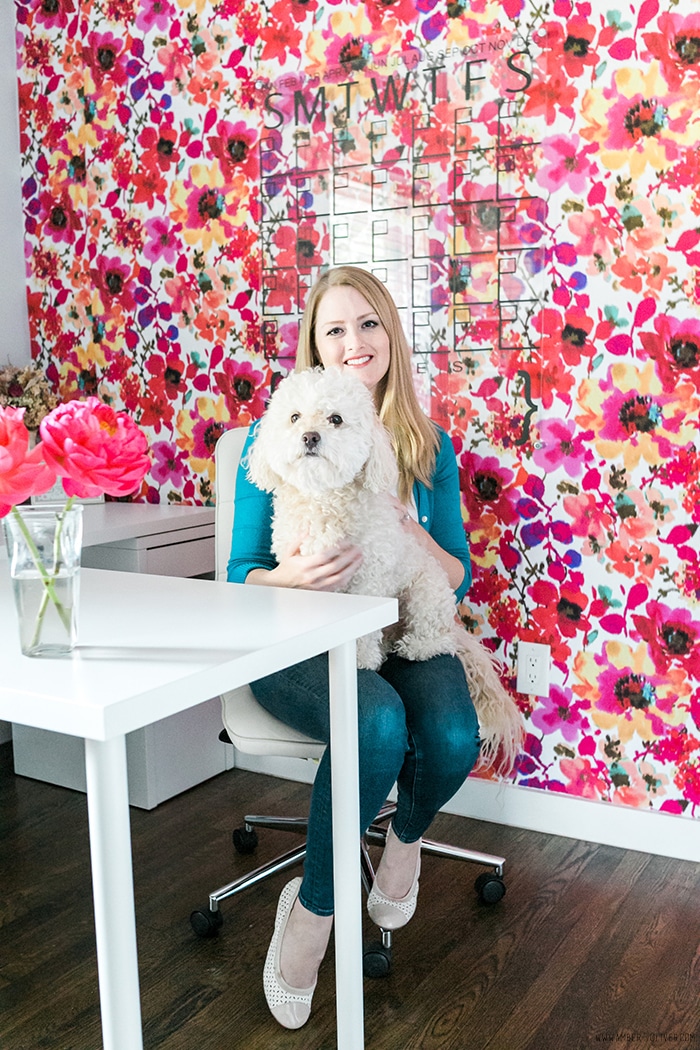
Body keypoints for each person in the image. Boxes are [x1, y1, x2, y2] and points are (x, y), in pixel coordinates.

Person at [227, 265, 480, 1029]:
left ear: (390, 336)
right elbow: (241, 577)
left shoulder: (428, 448)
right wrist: (292, 576)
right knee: (375, 723)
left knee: (452, 732)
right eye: (334, 329)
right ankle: (312, 912)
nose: (353, 342)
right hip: (295, 640)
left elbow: (456, 573)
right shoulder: (267, 442)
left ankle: (403, 840)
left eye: (367, 324)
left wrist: (413, 538)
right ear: (315, 345)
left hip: (398, 628)